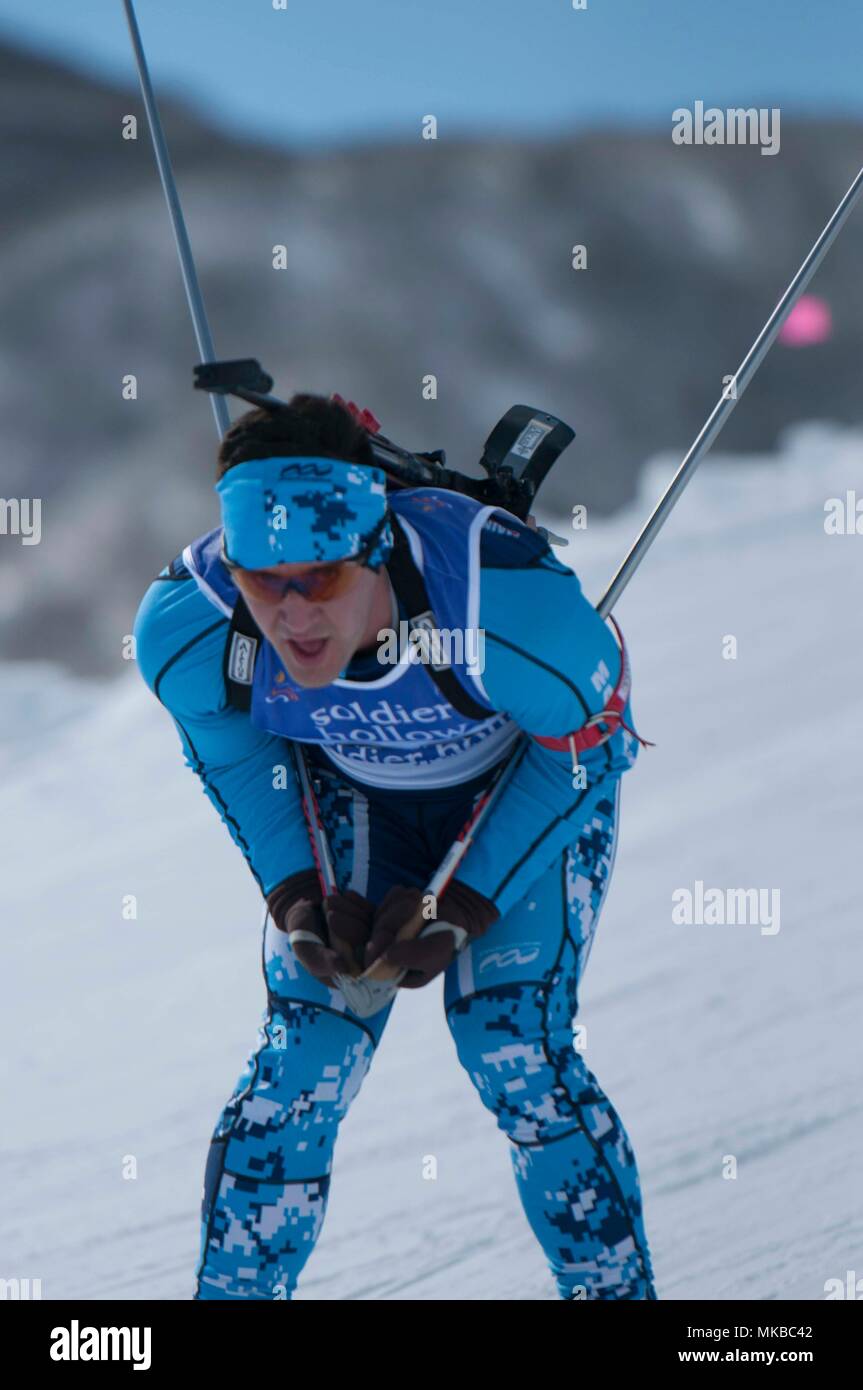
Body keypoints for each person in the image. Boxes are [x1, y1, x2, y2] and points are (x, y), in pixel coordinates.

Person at [133, 392, 658, 1300]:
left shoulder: (505, 608)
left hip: (516, 790)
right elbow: (236, 758)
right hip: (355, 798)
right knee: (303, 1056)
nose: (293, 617)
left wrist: (462, 905)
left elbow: (584, 751)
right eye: (265, 581)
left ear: (375, 546)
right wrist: (297, 892)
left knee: (513, 1044)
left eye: (322, 579)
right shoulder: (191, 628)